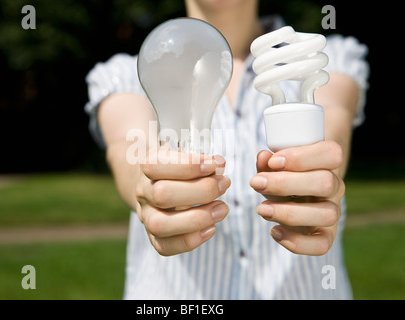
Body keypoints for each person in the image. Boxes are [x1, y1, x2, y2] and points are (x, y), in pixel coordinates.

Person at [85, 0, 369, 299]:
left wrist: (321, 175)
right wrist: (150, 190)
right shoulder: (128, 74)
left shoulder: (317, 58)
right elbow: (129, 150)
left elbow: (332, 125)